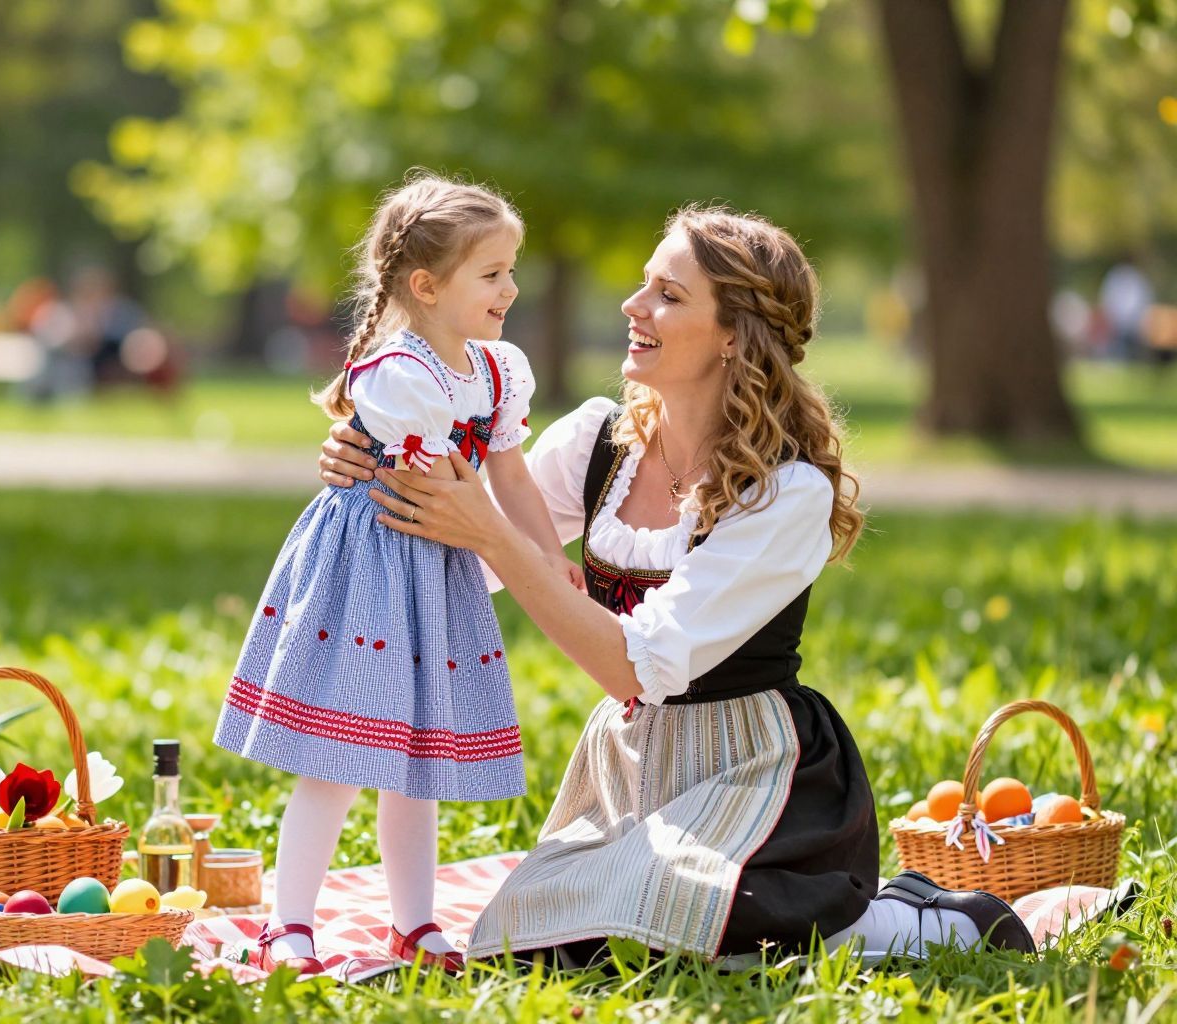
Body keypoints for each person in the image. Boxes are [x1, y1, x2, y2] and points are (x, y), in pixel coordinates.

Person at [318, 205, 1035, 966]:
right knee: (524, 939)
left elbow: (633, 666)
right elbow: (456, 555)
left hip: (756, 766)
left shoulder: (784, 493)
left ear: (734, 335)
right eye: (643, 286)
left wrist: (489, 530)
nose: (633, 306)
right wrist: (368, 468)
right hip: (630, 765)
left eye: (668, 294)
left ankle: (924, 925)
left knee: (682, 921)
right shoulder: (599, 443)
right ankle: (647, 886)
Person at [212, 173, 581, 976]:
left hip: (436, 571)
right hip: (373, 569)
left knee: (421, 761)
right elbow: (446, 475)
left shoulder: (496, 370)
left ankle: (412, 922)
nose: (511, 288)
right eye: (491, 274)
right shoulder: (397, 374)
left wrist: (548, 556)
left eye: (511, 270)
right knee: (340, 758)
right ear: (426, 284)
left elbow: (509, 476)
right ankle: (289, 923)